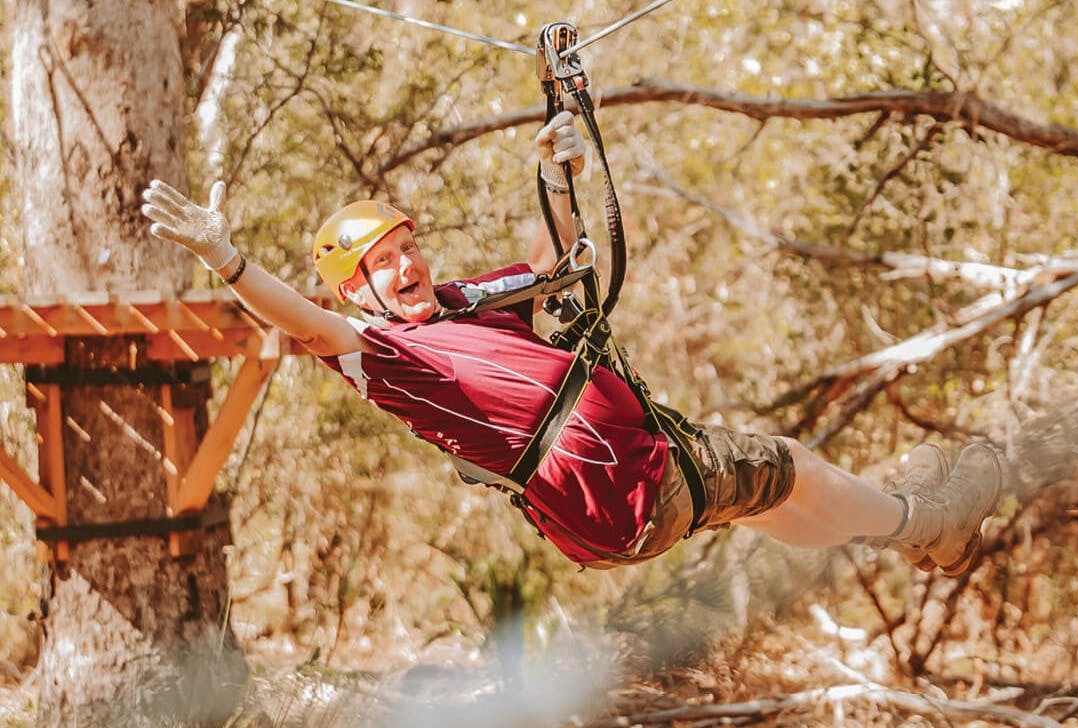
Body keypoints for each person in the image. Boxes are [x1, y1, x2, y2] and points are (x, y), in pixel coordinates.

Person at [140, 112, 1002, 573]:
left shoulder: (462, 303)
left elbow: (560, 265)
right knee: (785, 464)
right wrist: (227, 258)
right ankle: (928, 524)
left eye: (408, 249)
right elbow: (301, 321)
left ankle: (904, 528)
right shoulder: (381, 356)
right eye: (381, 264)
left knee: (773, 499)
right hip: (617, 491)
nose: (405, 270)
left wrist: (556, 173)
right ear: (351, 291)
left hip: (633, 479)